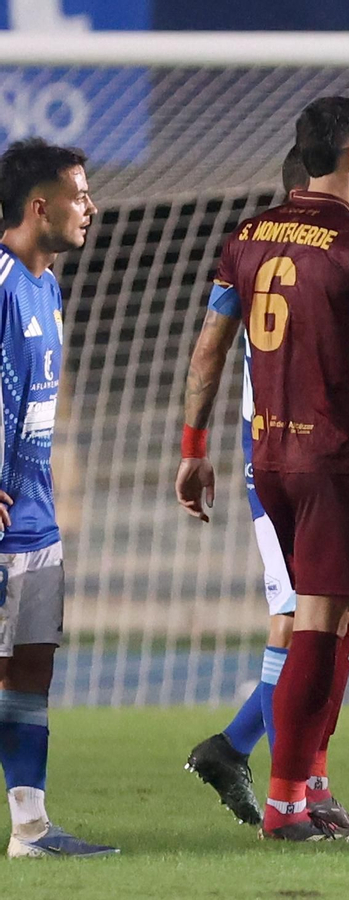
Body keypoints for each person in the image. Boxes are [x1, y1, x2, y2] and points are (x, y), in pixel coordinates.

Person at [176, 97, 349, 842]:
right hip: (330, 459)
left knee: (348, 619)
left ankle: (301, 785)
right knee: (316, 626)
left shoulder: (246, 237)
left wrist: (193, 450)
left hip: (267, 453)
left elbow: (207, 353)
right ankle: (287, 803)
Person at [184, 145, 349, 841]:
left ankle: (235, 752)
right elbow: (211, 350)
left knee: (336, 622)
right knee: (313, 623)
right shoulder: (302, 247)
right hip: (280, 455)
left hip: (297, 453)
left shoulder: (260, 248)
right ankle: (302, 792)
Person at [0, 138, 116, 858]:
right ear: (40, 205)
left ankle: (31, 829)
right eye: (80, 194)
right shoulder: (4, 283)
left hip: (35, 516)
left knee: (32, 669)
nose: (91, 207)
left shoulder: (48, 287)